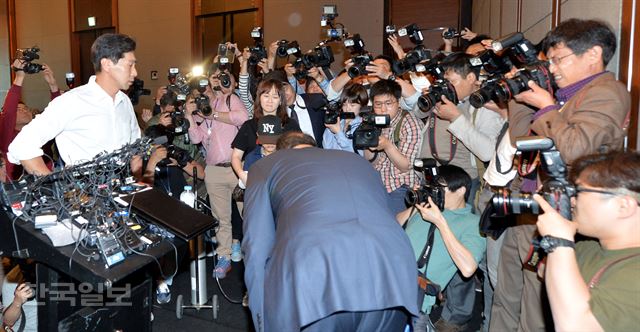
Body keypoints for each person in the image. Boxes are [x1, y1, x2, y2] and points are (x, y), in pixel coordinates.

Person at [491, 18, 631, 332]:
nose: (552, 68)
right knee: (506, 296)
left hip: (560, 212)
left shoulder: (607, 93)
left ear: (593, 54)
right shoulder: (561, 94)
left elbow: (575, 151)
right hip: (529, 206)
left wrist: (546, 106)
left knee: (534, 308)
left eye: (559, 59)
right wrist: (522, 96)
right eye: (549, 60)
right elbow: (519, 140)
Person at [242, 131, 418, 331]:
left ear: (283, 151)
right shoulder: (358, 162)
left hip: (315, 276)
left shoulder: (265, 166)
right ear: (314, 146)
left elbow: (256, 246)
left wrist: (263, 320)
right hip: (391, 270)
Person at [534, 151, 640, 331]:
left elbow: (576, 327)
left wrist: (559, 242)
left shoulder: (634, 272)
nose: (572, 201)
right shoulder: (587, 248)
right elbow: (544, 272)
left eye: (579, 192)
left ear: (624, 205)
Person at [8, 33, 141, 175]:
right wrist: (54, 186)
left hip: (124, 189)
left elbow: (135, 148)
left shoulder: (124, 101)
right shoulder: (71, 102)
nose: (135, 72)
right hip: (85, 191)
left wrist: (138, 183)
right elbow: (21, 145)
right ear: (107, 64)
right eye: (130, 65)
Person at [397, 164, 485, 332]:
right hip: (387, 280)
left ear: (461, 191)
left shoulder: (472, 223)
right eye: (432, 188)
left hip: (414, 299)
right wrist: (416, 205)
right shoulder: (429, 208)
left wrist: (440, 223)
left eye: (440, 188)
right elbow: (394, 225)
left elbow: (468, 268)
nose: (435, 192)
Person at [185, 65, 248, 279]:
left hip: (236, 169)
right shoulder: (205, 109)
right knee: (220, 218)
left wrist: (215, 114)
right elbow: (196, 138)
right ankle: (224, 256)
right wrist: (190, 115)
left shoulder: (231, 100)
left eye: (218, 78)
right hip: (213, 171)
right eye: (210, 79)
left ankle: (255, 251)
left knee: (247, 213)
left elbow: (242, 118)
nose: (213, 83)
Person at [366, 79, 424, 214]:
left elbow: (405, 166)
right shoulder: (376, 122)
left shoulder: (409, 123)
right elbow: (372, 161)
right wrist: (367, 144)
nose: (383, 109)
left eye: (388, 103)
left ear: (398, 102)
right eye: (378, 104)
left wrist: (387, 145)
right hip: (379, 185)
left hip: (402, 188)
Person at [1, 59, 60, 181]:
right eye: (19, 109)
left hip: (48, 183)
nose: (24, 110)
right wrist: (19, 77)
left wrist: (53, 85)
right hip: (17, 189)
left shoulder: (39, 131)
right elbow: (8, 112)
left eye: (26, 108)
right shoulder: (7, 136)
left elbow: (58, 116)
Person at [322, 82, 369, 155]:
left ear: (362, 106)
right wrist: (330, 126)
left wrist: (338, 133)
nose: (347, 109)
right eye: (344, 105)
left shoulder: (365, 126)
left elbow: (358, 155)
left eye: (352, 105)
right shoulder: (339, 122)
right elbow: (326, 147)